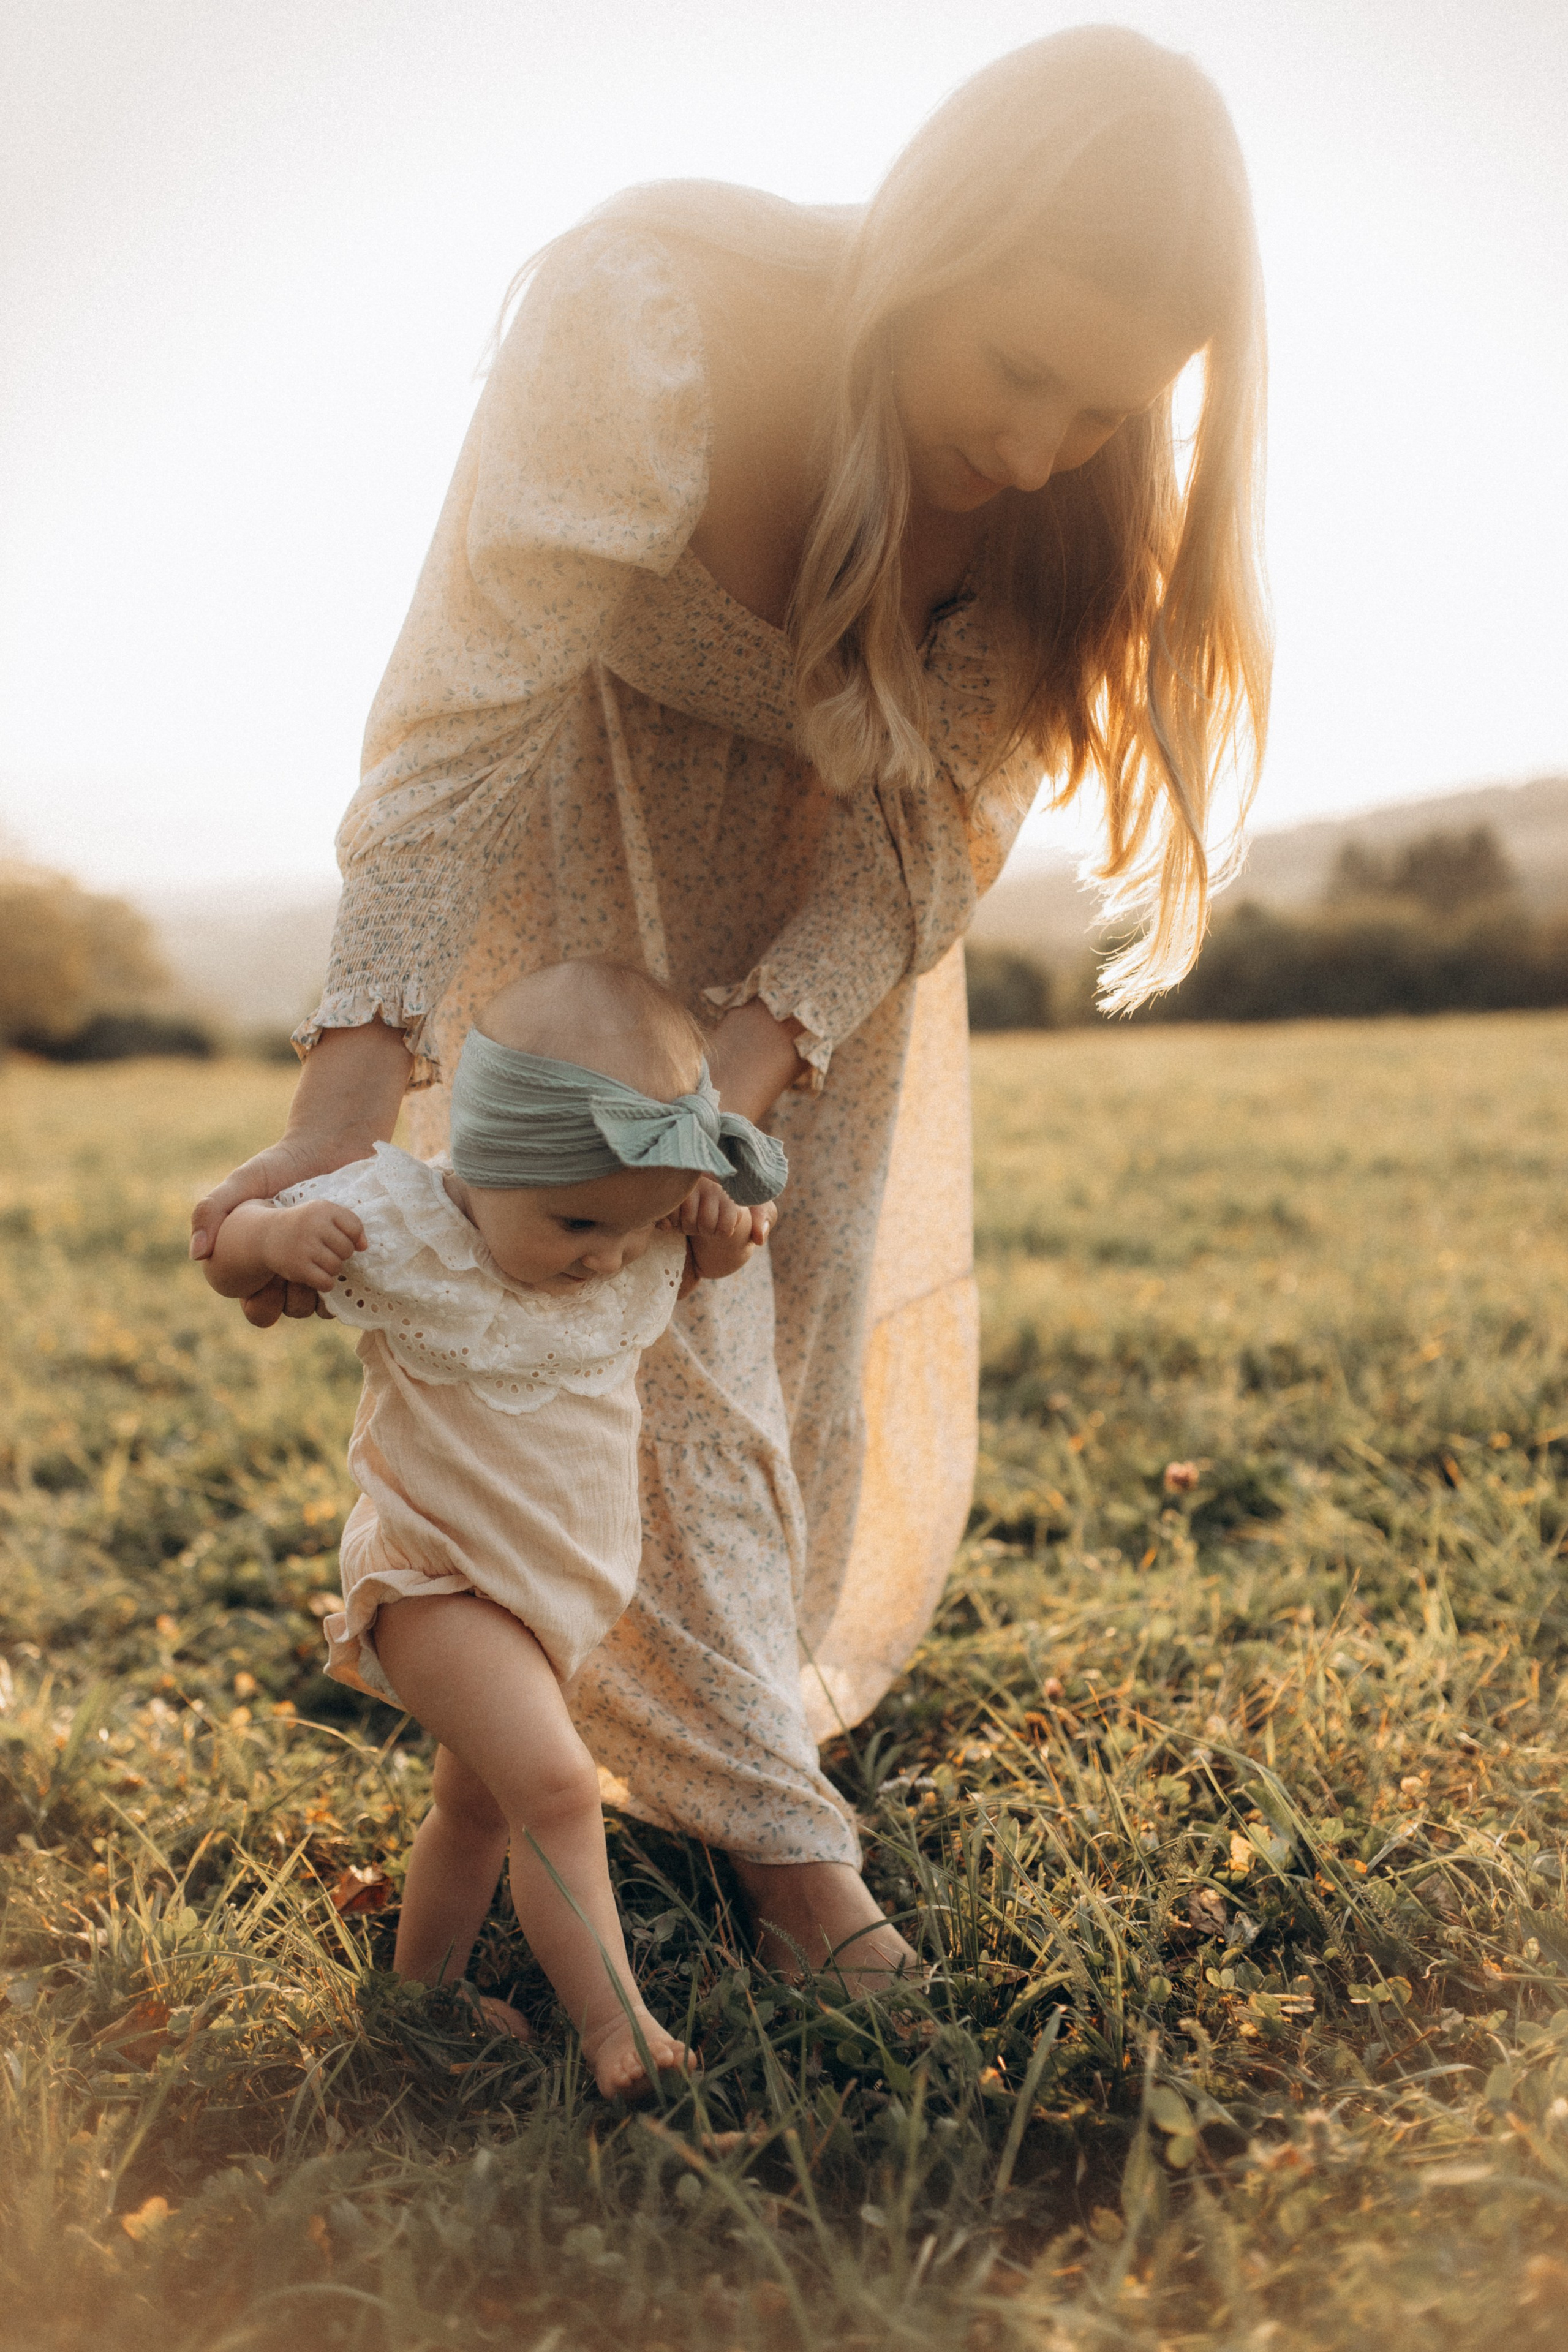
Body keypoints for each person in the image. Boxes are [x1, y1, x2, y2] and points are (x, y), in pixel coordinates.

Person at [189, 26, 1270, 1988]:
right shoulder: (657, 318)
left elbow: (934, 838)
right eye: (1014, 369)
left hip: (823, 921)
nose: (1038, 447)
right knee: (628, 1319)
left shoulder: (1070, 509)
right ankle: (792, 1872)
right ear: (926, 238)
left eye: (1101, 410)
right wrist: (353, 1099)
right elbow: (459, 712)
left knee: (785, 1337)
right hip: (580, 857)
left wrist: (754, 1071)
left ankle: (703, 1734)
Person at [203, 959, 786, 2095]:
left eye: (643, 1224)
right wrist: (272, 1247)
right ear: (487, 1162)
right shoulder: (408, 1223)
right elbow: (229, 1238)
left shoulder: (628, 1229)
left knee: (473, 1805)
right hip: (435, 1584)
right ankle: (620, 2032)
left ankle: (420, 1995)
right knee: (560, 1793)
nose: (610, 1256)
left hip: (552, 1595)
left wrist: (718, 1220)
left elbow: (713, 1249)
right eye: (578, 1222)